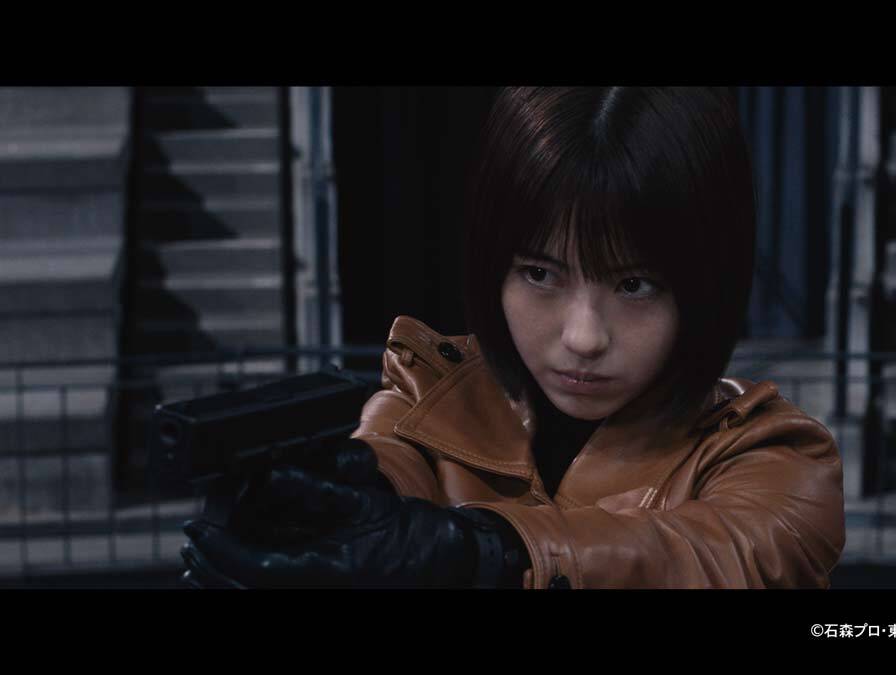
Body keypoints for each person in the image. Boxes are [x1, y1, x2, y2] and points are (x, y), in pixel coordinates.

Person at [180, 86, 845, 589]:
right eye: (539, 273)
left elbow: (714, 552)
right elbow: (390, 460)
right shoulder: (431, 391)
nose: (584, 337)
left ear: (705, 287)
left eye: (634, 284)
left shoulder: (775, 458)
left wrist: (483, 551)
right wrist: (328, 507)